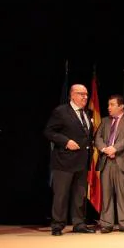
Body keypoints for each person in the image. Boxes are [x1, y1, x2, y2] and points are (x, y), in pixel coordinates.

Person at [44, 84, 95, 236]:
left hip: (81, 162)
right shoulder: (61, 111)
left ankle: (78, 223)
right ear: (72, 95)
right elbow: (49, 131)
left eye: (86, 94)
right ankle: (57, 225)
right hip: (64, 161)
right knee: (61, 194)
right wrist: (66, 141)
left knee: (79, 195)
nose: (85, 97)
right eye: (81, 94)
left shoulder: (86, 113)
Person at [94, 94, 124, 233]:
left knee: (123, 194)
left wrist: (115, 148)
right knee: (106, 194)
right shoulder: (105, 121)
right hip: (106, 161)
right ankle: (106, 223)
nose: (109, 108)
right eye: (108, 105)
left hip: (123, 161)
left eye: (112, 105)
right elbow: (98, 137)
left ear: (121, 106)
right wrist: (105, 149)